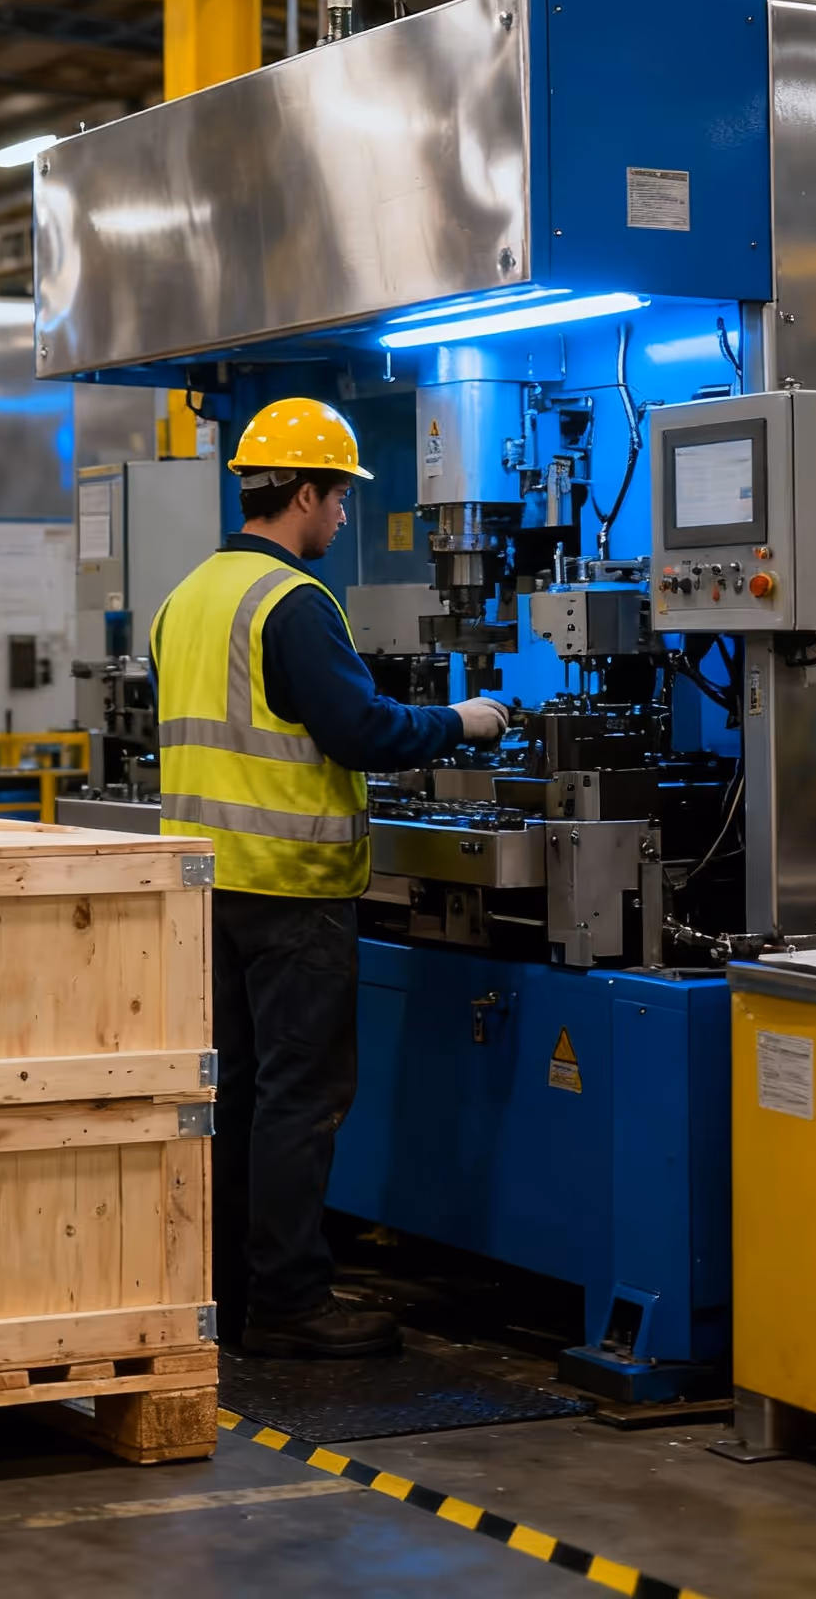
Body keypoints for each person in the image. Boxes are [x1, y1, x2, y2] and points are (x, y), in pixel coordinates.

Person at [151, 398, 509, 1361]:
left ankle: (222, 1289)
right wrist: (465, 723)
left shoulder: (186, 596)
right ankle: (294, 1303)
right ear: (303, 493)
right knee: (300, 1098)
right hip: (291, 888)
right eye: (340, 498)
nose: (344, 517)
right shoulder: (293, 602)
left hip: (204, 885)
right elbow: (362, 732)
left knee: (231, 1097)